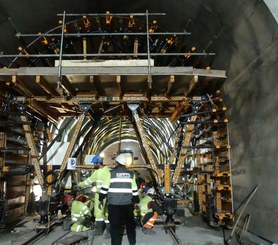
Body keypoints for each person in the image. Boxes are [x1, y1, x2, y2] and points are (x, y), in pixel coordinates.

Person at [99, 153, 139, 245]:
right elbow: (134, 190)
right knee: (130, 226)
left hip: (114, 205)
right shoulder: (131, 174)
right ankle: (132, 242)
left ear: (117, 162)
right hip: (127, 205)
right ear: (125, 163)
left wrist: (101, 199)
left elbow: (104, 188)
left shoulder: (111, 174)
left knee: (115, 227)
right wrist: (136, 201)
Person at [78, 154, 111, 237]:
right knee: (107, 213)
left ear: (97, 163)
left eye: (94, 163)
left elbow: (88, 181)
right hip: (109, 195)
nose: (93, 165)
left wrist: (79, 184)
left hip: (100, 195)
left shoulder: (97, 172)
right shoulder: (109, 170)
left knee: (99, 212)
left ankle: (99, 230)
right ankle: (109, 232)